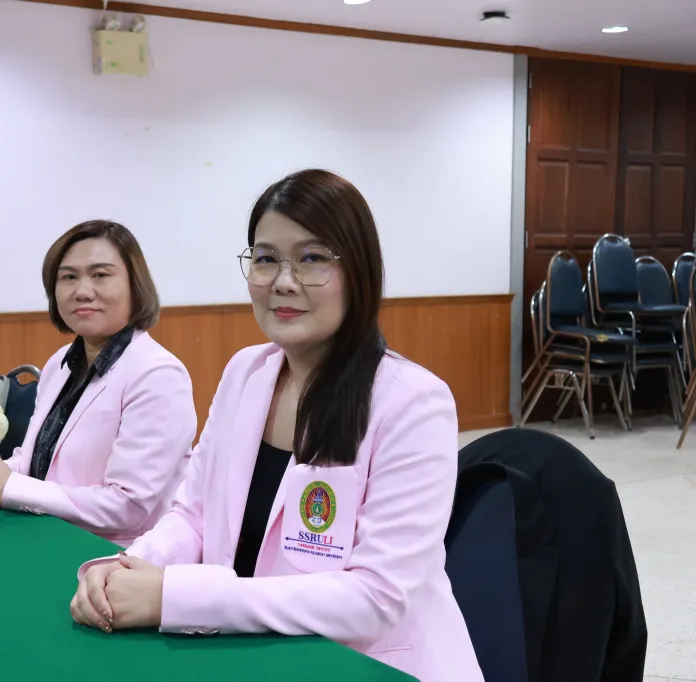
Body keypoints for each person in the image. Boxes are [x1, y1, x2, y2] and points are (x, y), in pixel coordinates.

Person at [69, 171, 484, 682]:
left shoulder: (413, 402)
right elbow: (193, 515)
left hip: (362, 664)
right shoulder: (246, 372)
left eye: (312, 258)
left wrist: (175, 597)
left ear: (359, 271)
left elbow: (375, 598)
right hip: (248, 650)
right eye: (265, 259)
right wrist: (130, 566)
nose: (284, 281)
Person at [0, 220, 197, 548]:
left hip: (117, 558)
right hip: (47, 536)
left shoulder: (158, 374)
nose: (82, 290)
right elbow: (36, 460)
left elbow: (129, 507)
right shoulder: (60, 363)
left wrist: (9, 488)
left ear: (135, 285)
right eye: (68, 277)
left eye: (100, 275)